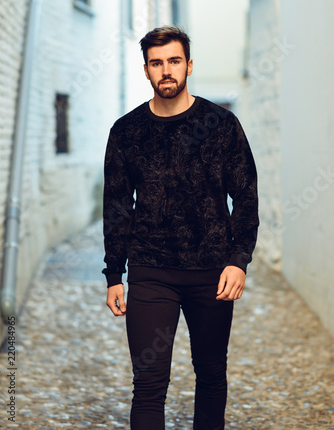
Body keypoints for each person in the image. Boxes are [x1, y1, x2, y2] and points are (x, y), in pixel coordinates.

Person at [102, 25, 259, 430]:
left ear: (189, 65)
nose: (166, 70)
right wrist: (113, 274)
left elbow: (245, 197)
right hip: (151, 271)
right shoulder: (127, 131)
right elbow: (117, 205)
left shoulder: (221, 125)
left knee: (210, 375)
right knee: (148, 384)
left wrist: (239, 260)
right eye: (157, 63)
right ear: (146, 70)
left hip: (212, 272)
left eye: (174, 61)